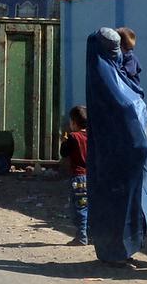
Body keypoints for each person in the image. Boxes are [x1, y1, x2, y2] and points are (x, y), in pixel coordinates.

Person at [85, 27, 147, 264]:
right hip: (116, 155)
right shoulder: (106, 78)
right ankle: (114, 252)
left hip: (123, 155)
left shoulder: (112, 73)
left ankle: (120, 250)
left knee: (122, 202)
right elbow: (129, 108)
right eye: (113, 49)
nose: (118, 54)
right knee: (117, 202)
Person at [60, 105, 89, 246]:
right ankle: (91, 234)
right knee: (89, 206)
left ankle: (82, 236)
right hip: (92, 177)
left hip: (78, 178)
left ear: (73, 122)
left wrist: (64, 141)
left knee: (80, 207)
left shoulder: (73, 137)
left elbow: (64, 153)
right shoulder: (92, 136)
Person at [116, 27, 143, 93]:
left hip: (132, 93)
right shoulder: (121, 57)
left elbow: (124, 73)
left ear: (120, 45)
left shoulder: (130, 59)